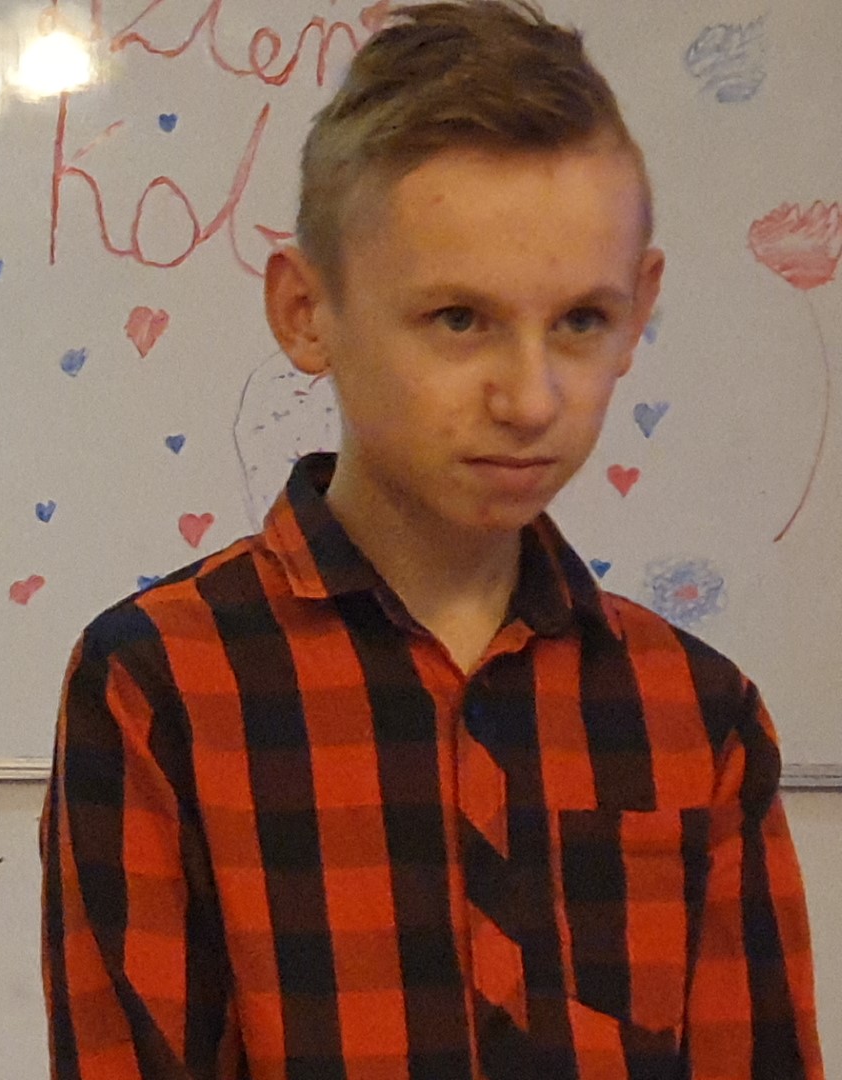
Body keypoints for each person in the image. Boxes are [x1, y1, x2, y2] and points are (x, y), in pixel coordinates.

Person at [40, 3, 823, 1077]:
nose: (529, 398)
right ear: (307, 312)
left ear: (640, 307)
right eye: (459, 319)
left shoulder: (699, 715)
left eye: (581, 321)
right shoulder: (159, 683)